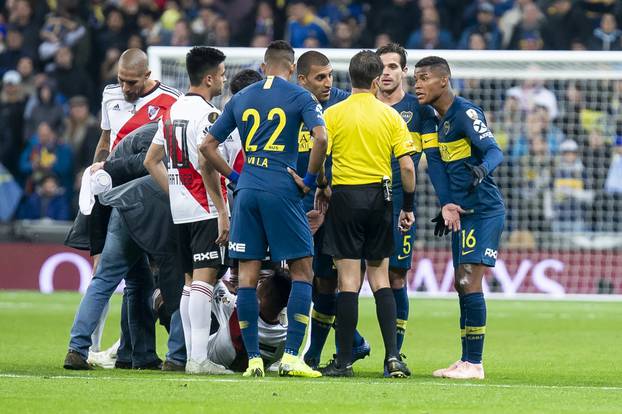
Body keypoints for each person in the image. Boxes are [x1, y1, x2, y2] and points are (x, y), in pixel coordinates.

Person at [200, 40, 327, 378]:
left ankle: (253, 359)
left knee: (247, 279)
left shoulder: (240, 97)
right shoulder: (300, 96)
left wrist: (237, 176)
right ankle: (290, 358)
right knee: (302, 272)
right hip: (282, 188)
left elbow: (207, 147)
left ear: (264, 65)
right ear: (292, 67)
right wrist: (310, 180)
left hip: (248, 190)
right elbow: (322, 138)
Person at [316, 50, 415, 378]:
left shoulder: (333, 114)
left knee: (347, 281)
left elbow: (320, 154)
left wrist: (320, 184)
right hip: (380, 197)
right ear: (375, 80)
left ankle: (344, 361)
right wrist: (408, 206)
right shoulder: (390, 116)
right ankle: (393, 358)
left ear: (350, 78)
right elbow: (407, 167)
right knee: (380, 277)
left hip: (345, 197)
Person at [84, 48, 180, 365]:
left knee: (143, 276)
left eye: (132, 82)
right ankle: (123, 351)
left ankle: (133, 350)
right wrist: (95, 172)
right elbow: (104, 141)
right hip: (111, 191)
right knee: (119, 274)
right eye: (121, 81)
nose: (126, 88)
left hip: (149, 196)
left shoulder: (171, 99)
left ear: (148, 75)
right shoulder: (109, 96)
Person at [414, 56, 505, 380]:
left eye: (423, 78)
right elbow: (438, 167)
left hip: (483, 210)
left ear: (444, 80)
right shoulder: (434, 120)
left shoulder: (465, 112)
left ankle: (475, 364)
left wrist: (482, 170)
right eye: (416, 79)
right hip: (461, 213)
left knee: (469, 279)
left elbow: (495, 151)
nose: (418, 84)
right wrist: (447, 204)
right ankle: (466, 359)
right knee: (460, 283)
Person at [144, 46, 230, 375]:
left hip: (181, 209)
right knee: (204, 284)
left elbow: (151, 160)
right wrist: (222, 210)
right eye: (221, 74)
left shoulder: (172, 110)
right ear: (209, 78)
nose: (223, 79)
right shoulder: (208, 115)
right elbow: (208, 165)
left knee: (188, 283)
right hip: (204, 207)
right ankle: (197, 359)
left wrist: (175, 192)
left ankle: (193, 356)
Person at [375, 43, 457, 367]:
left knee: (396, 276)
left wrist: (447, 199)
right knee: (345, 277)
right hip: (358, 202)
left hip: (399, 206)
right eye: (381, 67)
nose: (386, 72)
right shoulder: (363, 105)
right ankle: (347, 349)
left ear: (403, 71)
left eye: (393, 66)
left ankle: (393, 352)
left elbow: (433, 161)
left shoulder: (419, 110)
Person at [293, 50, 370, 370]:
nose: (328, 83)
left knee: (333, 280)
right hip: (299, 207)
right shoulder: (290, 105)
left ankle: (323, 353)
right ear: (302, 79)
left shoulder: (342, 104)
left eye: (330, 76)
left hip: (339, 206)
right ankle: (351, 343)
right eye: (320, 77)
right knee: (313, 281)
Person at [205, 270, 291, 372]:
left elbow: (212, 281)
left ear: (266, 294)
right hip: (248, 369)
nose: (258, 283)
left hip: (209, 358)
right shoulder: (285, 336)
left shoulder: (237, 308)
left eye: (262, 282)